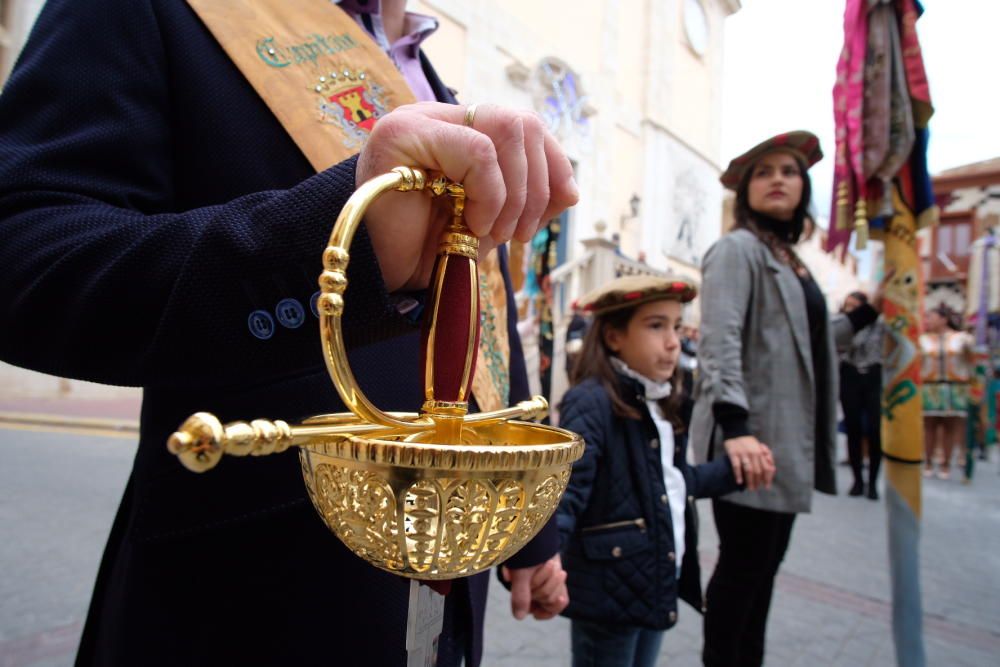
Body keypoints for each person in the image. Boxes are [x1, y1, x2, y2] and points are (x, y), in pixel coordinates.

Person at [0, 1, 578, 665]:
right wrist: (338, 250)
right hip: (246, 604)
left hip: (448, 573)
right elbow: (21, 248)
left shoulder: (432, 76)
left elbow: (483, 303)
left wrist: (530, 535)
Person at [689, 131, 883, 667]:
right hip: (750, 441)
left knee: (761, 575)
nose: (778, 179)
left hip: (782, 443)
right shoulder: (737, 249)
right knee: (743, 573)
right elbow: (720, 342)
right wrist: (736, 428)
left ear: (804, 188)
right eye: (765, 171)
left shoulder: (791, 260)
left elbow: (811, 341)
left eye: (790, 171)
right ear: (746, 189)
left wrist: (868, 313)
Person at [554, 275, 774, 667]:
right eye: (656, 326)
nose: (674, 341)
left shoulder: (659, 402)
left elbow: (669, 483)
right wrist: (542, 558)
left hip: (654, 579)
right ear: (614, 336)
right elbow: (567, 492)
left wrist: (730, 471)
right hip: (608, 593)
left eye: (675, 326)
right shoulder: (591, 402)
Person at [920, 304, 975, 480]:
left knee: (950, 426)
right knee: (929, 426)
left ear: (944, 319)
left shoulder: (962, 339)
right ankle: (927, 461)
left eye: (932, 317)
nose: (928, 321)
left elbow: (971, 361)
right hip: (930, 385)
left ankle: (945, 463)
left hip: (954, 385)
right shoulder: (923, 340)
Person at [839, 291, 885, 499]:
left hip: (873, 376)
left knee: (875, 430)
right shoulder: (842, 325)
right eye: (848, 305)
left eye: (855, 305)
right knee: (853, 428)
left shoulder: (881, 326)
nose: (851, 309)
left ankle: (873, 482)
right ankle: (857, 480)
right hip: (850, 374)